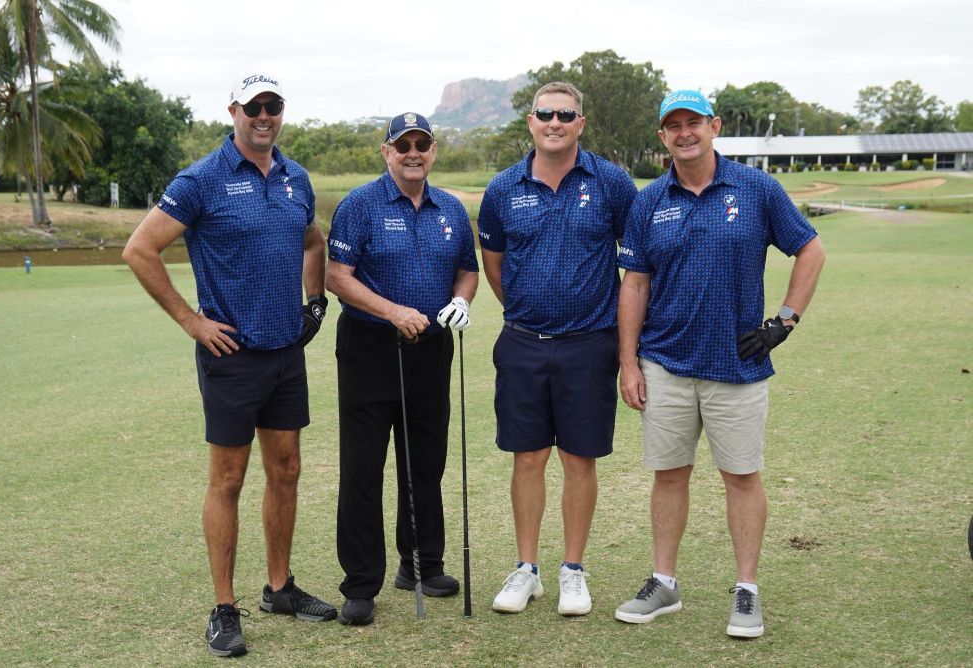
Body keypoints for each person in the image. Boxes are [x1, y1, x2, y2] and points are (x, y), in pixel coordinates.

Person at [122, 72, 336, 657]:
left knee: (286, 470)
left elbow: (313, 241)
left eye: (274, 106)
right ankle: (223, 607)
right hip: (231, 354)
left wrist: (314, 301)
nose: (264, 116)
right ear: (234, 111)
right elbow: (139, 250)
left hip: (285, 353)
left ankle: (279, 588)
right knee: (229, 479)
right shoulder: (202, 180)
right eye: (254, 107)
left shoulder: (296, 178)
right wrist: (192, 322)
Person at [614, 90, 826, 638]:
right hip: (665, 360)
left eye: (694, 123)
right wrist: (629, 362)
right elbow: (634, 282)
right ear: (662, 137)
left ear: (715, 127)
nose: (684, 132)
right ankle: (664, 582)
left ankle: (747, 590)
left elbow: (810, 248)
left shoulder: (755, 188)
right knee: (669, 473)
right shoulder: (648, 201)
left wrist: (785, 320)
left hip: (738, 363)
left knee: (741, 475)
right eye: (673, 126)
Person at [477, 82, 638, 617]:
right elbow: (494, 264)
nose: (554, 122)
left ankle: (573, 569)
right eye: (545, 113)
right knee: (527, 456)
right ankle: (527, 568)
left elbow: (635, 263)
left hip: (590, 345)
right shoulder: (503, 188)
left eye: (565, 115)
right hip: (523, 342)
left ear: (580, 123)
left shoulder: (612, 183)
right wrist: (527, 306)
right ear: (531, 121)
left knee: (578, 458)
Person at [326, 112, 479, 626]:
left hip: (431, 351)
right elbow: (336, 276)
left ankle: (421, 565)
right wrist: (391, 310)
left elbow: (467, 269)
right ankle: (361, 583)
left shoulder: (452, 210)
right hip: (371, 348)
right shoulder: (360, 205)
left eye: (423, 144)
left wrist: (461, 299)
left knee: (425, 462)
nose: (414, 153)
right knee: (364, 467)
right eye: (404, 145)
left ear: (433, 151)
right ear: (387, 152)